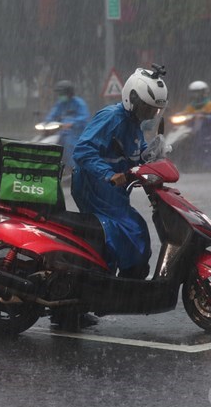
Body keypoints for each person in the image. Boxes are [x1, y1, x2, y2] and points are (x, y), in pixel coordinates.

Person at [71, 65, 168, 281]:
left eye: (154, 110)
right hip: (94, 188)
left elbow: (136, 153)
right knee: (124, 233)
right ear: (131, 98)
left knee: (137, 232)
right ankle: (109, 284)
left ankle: (122, 284)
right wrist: (108, 174)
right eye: (147, 108)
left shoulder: (134, 123)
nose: (150, 114)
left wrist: (153, 154)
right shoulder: (112, 117)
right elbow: (83, 150)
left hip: (113, 194)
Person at [42, 80, 89, 171]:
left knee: (70, 146)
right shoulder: (60, 103)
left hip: (77, 133)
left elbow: (84, 117)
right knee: (56, 145)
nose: (60, 96)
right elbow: (53, 113)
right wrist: (46, 123)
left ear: (69, 93)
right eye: (59, 93)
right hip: (63, 131)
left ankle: (73, 168)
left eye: (62, 93)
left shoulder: (79, 103)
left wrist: (73, 123)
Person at [180, 80, 211, 170]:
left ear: (204, 93)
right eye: (193, 93)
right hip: (192, 129)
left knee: (201, 143)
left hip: (206, 129)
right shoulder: (191, 105)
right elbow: (185, 113)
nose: (195, 95)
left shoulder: (209, 104)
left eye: (197, 93)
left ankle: (206, 163)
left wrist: (205, 117)